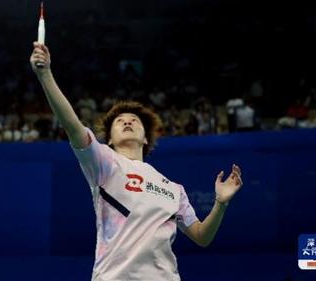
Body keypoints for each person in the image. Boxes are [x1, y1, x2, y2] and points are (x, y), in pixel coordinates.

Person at [30, 42, 242, 281]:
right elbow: (72, 126)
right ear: (110, 139)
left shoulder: (174, 190)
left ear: (146, 139)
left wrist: (220, 203)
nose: (128, 122)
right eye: (120, 121)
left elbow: (202, 236)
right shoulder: (104, 163)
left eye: (134, 120)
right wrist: (45, 74)